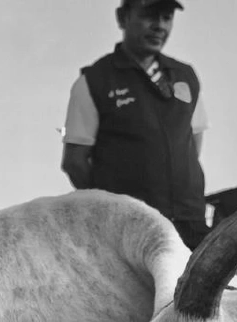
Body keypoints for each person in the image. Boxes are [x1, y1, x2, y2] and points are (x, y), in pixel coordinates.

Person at [61, 0, 210, 248]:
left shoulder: (185, 75)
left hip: (189, 223)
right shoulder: (95, 81)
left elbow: (193, 142)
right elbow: (74, 163)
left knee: (202, 286)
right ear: (122, 18)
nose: (159, 26)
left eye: (166, 17)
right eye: (149, 15)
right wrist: (114, 207)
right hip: (129, 231)